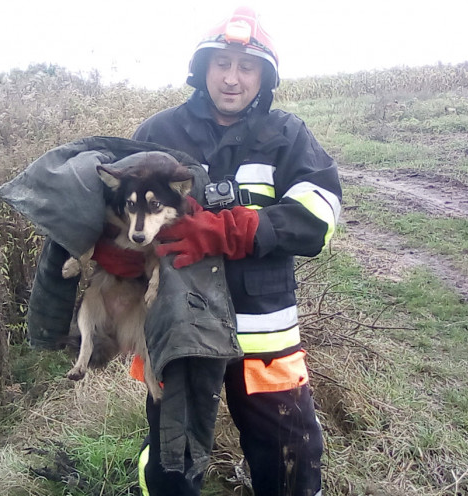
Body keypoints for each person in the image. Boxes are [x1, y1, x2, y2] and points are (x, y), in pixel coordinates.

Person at [130, 6, 342, 496]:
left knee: (292, 457)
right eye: (221, 63)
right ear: (202, 70)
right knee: (171, 460)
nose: (232, 78)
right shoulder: (159, 133)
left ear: (264, 76)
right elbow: (115, 210)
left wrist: (237, 231)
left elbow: (320, 216)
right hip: (180, 328)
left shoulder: (289, 135)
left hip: (264, 334)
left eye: (246, 67)